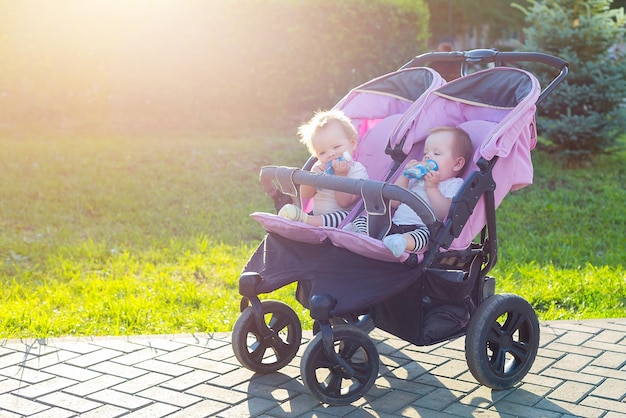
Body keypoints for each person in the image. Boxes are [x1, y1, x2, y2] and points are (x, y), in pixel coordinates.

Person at [346, 126, 473, 257]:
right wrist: (405, 176)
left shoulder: (454, 183)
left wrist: (432, 188)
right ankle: (359, 232)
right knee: (365, 219)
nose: (427, 156)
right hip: (394, 223)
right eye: (425, 153)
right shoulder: (417, 179)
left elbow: (444, 214)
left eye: (436, 153)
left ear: (457, 164)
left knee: (424, 238)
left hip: (421, 228)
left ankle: (400, 242)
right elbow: (394, 203)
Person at [278, 109, 368, 227]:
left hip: (343, 220)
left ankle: (304, 220)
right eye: (322, 153)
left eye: (336, 147)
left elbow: (344, 203)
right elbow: (306, 194)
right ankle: (304, 220)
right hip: (317, 216)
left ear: (352, 143)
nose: (330, 154)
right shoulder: (320, 167)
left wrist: (341, 176)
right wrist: (312, 179)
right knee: (315, 216)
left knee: (344, 216)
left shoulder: (357, 170)